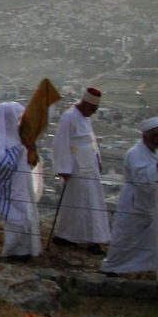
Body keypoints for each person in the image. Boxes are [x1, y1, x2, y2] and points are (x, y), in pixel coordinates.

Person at [50, 86, 111, 251]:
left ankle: (91, 238)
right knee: (77, 202)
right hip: (76, 169)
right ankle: (70, 235)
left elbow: (90, 141)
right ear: (84, 104)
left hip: (89, 168)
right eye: (92, 109)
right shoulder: (69, 117)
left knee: (92, 202)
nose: (93, 113)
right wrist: (64, 168)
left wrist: (97, 159)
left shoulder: (86, 118)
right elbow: (60, 143)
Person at [0, 101, 42, 260]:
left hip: (22, 182)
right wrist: (19, 152)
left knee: (26, 212)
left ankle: (27, 249)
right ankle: (15, 250)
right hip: (8, 184)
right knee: (16, 215)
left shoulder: (18, 135)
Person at [100, 117, 158, 276]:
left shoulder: (153, 152)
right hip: (134, 202)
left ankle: (140, 268)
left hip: (149, 203)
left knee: (147, 239)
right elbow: (142, 180)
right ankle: (112, 268)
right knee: (126, 237)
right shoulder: (135, 153)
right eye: (155, 135)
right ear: (145, 136)